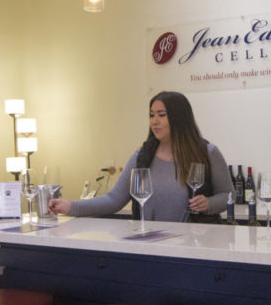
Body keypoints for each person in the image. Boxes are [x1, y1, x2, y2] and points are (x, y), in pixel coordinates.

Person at [48, 91, 232, 223]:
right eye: (151, 115)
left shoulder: (207, 153)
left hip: (195, 247)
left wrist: (209, 203)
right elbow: (114, 200)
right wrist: (71, 207)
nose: (154, 121)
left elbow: (229, 195)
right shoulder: (142, 157)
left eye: (161, 115)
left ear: (179, 119)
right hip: (151, 245)